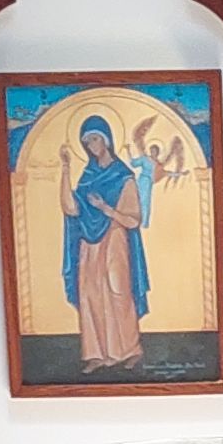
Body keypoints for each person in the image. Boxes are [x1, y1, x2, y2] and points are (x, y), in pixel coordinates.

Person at [59, 108, 173, 371]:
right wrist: (65, 168)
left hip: (115, 240)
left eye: (95, 139)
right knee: (90, 294)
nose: (91, 145)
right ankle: (96, 354)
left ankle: (129, 350)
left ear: (107, 140)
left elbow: (133, 219)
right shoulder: (87, 178)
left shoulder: (124, 177)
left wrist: (105, 209)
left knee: (118, 291)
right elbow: (70, 208)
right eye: (86, 142)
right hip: (89, 244)